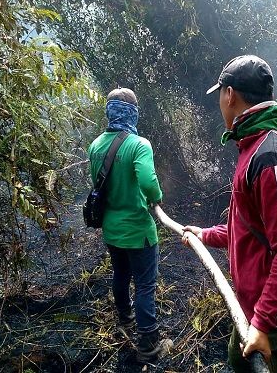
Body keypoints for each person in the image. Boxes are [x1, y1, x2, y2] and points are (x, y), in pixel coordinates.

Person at [182, 56, 277, 372]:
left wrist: (264, 321)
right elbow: (248, 227)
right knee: (238, 360)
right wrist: (205, 235)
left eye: (220, 94)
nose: (220, 101)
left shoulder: (270, 157)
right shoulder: (253, 147)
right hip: (255, 309)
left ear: (230, 94)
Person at [87, 88, 170, 363]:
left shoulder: (96, 145)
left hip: (112, 229)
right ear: (133, 113)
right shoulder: (139, 144)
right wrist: (156, 197)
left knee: (121, 276)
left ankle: (125, 318)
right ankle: (148, 344)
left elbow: (98, 186)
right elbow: (147, 180)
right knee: (145, 285)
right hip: (138, 229)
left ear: (109, 111)